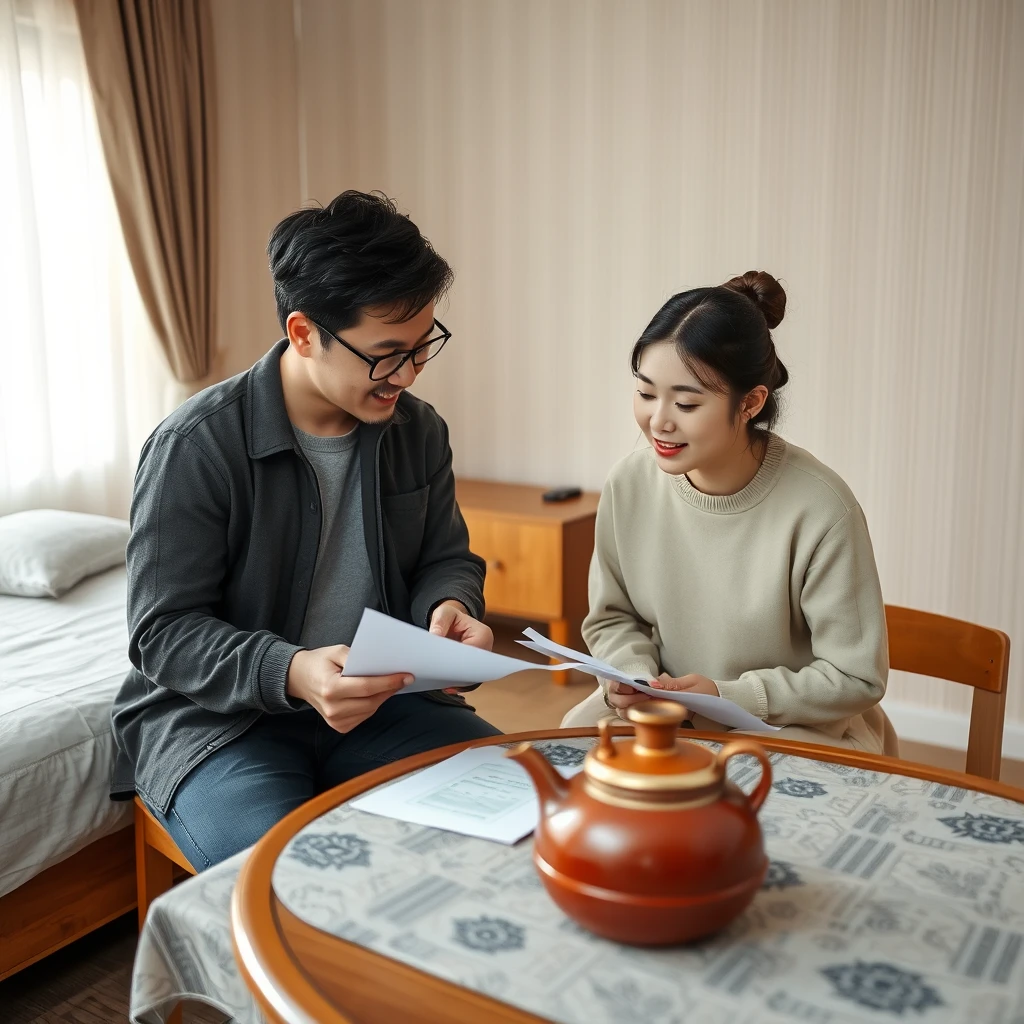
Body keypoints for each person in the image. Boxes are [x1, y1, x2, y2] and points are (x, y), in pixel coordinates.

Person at [111, 190, 501, 869]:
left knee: (521, 808)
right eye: (385, 354)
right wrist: (291, 670)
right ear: (302, 333)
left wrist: (450, 606)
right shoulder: (196, 445)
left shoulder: (418, 430)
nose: (405, 375)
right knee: (296, 881)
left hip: (383, 704)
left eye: (421, 347)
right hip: (222, 725)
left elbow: (446, 556)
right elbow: (162, 632)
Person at [561, 271, 897, 755]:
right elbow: (612, 618)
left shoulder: (822, 509)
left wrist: (727, 696)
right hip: (664, 714)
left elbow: (854, 676)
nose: (658, 421)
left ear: (751, 403)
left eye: (686, 402)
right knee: (571, 764)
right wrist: (632, 674)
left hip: (789, 728)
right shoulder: (629, 484)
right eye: (646, 392)